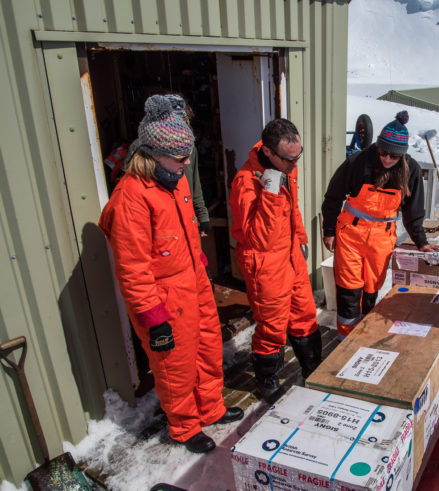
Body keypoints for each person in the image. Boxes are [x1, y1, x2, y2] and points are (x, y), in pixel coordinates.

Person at [99, 95, 243, 454]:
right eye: (181, 157)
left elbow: (184, 234)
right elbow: (132, 269)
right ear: (153, 154)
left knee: (209, 348)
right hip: (163, 298)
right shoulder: (131, 198)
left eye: (187, 155)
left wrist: (203, 273)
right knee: (174, 366)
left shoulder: (173, 180)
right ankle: (184, 427)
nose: (187, 162)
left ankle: (211, 409)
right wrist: (155, 320)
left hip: (194, 283)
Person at [321, 111, 439, 337]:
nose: (387, 159)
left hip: (382, 238)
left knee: (371, 289)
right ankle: (345, 340)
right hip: (351, 234)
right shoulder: (358, 161)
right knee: (349, 289)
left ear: (403, 156)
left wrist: (421, 242)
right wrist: (329, 230)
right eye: (382, 152)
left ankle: (364, 334)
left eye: (394, 156)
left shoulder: (412, 171)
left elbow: (413, 212)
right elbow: (333, 197)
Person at [229, 118, 321, 403]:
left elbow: (292, 209)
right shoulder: (246, 183)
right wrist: (268, 193)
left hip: (291, 254)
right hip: (265, 262)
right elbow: (259, 239)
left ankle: (313, 368)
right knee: (272, 325)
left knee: (305, 314)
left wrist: (301, 238)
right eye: (288, 160)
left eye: (298, 157)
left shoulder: (285, 165)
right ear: (268, 152)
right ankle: (267, 379)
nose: (294, 165)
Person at [124, 94, 211, 238]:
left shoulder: (188, 148)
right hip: (161, 228)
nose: (185, 161)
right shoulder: (140, 148)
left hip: (186, 220)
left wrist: (203, 216)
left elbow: (194, 184)